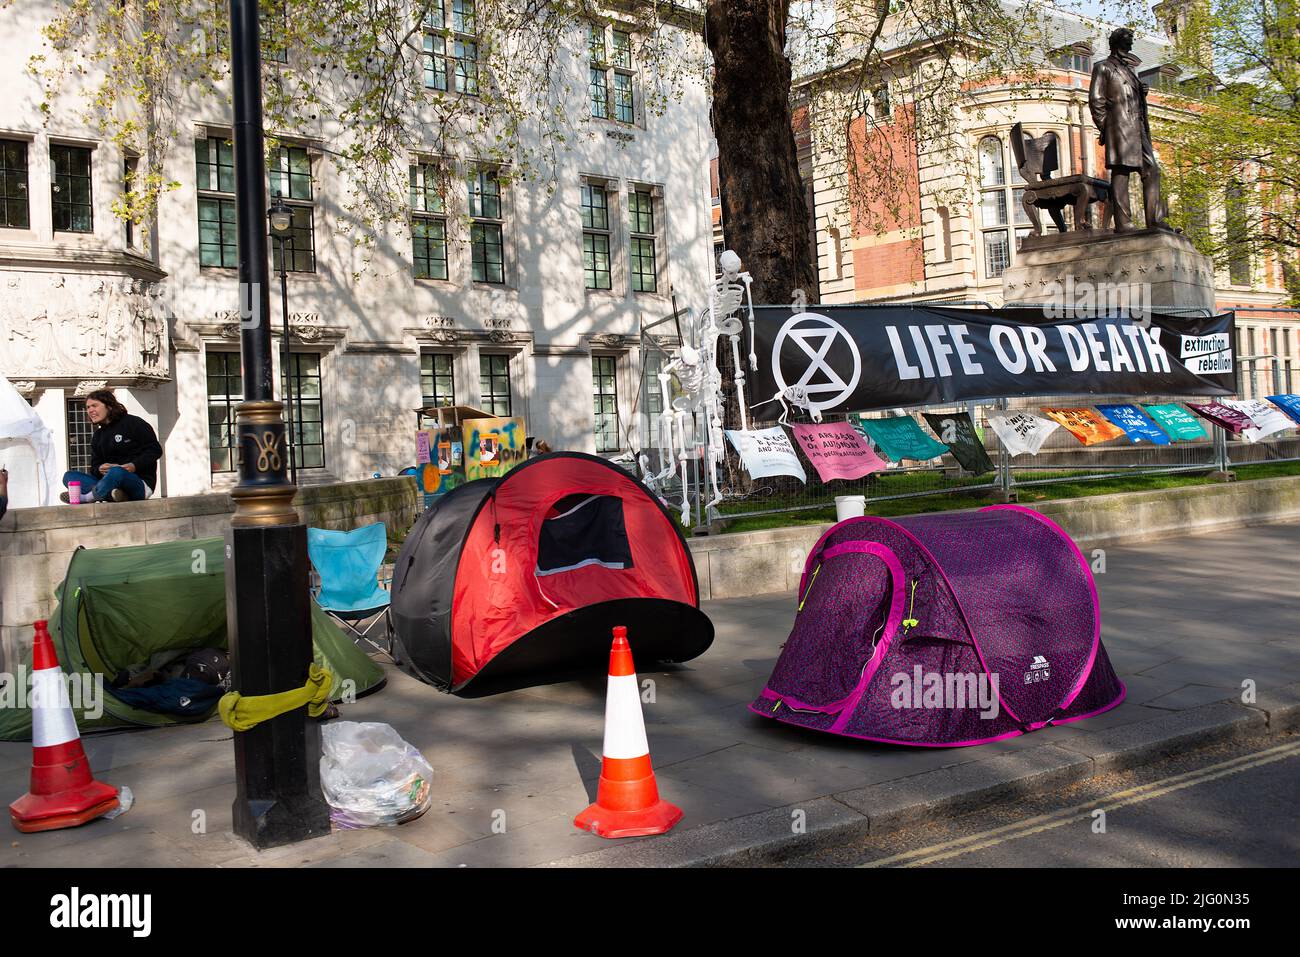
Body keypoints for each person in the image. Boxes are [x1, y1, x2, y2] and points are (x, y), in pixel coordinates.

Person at [1088, 27, 1171, 233]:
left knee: (1151, 169)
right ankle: (1124, 223)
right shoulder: (1103, 67)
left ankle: (1155, 220)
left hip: (1137, 128)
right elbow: (1095, 100)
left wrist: (1142, 93)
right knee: (1121, 170)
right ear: (1117, 42)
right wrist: (1106, 128)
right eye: (1128, 40)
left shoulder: (1129, 70)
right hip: (1119, 127)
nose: (1131, 44)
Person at [61, 390, 162, 503]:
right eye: (88, 407)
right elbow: (94, 467)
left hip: (138, 482)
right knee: (69, 476)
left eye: (94, 405)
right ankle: (114, 495)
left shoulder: (134, 423)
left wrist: (133, 465)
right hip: (108, 482)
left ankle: (88, 497)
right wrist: (100, 469)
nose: (90, 410)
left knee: (116, 472)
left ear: (109, 406)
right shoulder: (97, 436)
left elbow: (155, 450)